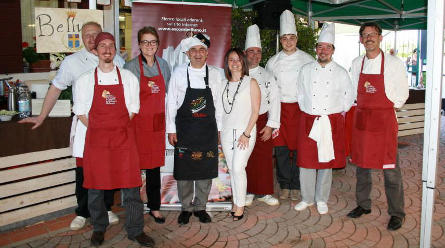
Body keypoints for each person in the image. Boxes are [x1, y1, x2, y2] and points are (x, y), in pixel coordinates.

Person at [19, 22, 122, 231]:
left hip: (111, 127)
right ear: (82, 38)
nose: (92, 38)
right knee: (84, 170)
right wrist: (41, 117)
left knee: (109, 167)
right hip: (86, 125)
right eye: (87, 35)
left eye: (95, 34)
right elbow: (56, 88)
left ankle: (106, 207)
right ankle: (83, 212)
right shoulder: (72, 62)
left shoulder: (117, 59)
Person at [73, 32, 154, 247]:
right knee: (95, 189)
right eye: (102, 46)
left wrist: (115, 129)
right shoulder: (84, 80)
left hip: (123, 142)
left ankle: (135, 230)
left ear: (115, 49)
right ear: (95, 50)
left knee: (131, 188)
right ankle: (99, 228)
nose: (107, 49)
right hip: (97, 143)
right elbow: (81, 113)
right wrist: (102, 129)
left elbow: (133, 110)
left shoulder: (128, 78)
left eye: (111, 45)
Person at [347, 22, 409, 231]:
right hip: (363, 121)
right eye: (365, 35)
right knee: (362, 168)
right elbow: (350, 91)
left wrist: (390, 105)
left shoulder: (393, 63)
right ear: (361, 39)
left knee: (391, 170)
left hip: (384, 122)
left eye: (373, 34)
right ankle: (363, 205)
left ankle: (397, 213)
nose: (369, 38)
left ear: (380, 37)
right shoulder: (357, 63)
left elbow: (402, 92)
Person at [294, 23, 354, 214]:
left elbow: (349, 97)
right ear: (316, 49)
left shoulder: (342, 72)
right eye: (320, 47)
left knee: (325, 162)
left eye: (328, 47)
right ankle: (307, 198)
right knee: (306, 161)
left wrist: (335, 112)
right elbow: (300, 93)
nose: (323, 50)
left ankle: (321, 198)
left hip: (330, 120)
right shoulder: (305, 69)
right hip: (309, 119)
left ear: (333, 50)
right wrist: (307, 111)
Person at [166, 33, 222, 225]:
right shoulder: (179, 73)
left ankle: (201, 207)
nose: (198, 54)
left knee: (205, 170)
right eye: (194, 50)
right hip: (185, 130)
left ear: (207, 53)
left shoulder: (216, 74)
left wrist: (220, 130)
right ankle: (186, 208)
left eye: (202, 50)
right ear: (188, 54)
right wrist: (171, 129)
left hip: (208, 130)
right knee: (185, 172)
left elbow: (220, 106)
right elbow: (171, 104)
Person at [265, 10, 314, 201]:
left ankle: (297, 184)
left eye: (291, 37)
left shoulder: (308, 60)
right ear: (281, 39)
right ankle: (284, 184)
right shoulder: (272, 62)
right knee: (282, 149)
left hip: (300, 109)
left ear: (297, 38)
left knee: (299, 148)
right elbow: (269, 91)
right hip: (280, 110)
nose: (288, 41)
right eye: (284, 38)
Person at [124, 26, 171, 224]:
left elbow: (168, 94)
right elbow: (126, 99)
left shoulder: (164, 65)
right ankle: (133, 208)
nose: (149, 46)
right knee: (133, 168)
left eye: (153, 42)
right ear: (139, 44)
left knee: (154, 169)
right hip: (137, 125)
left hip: (157, 125)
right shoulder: (131, 67)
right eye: (145, 42)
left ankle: (154, 207)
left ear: (158, 45)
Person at [221, 48, 261, 220]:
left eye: (238, 59)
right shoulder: (223, 83)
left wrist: (246, 133)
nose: (235, 63)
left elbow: (255, 111)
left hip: (245, 132)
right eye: (231, 60)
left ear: (243, 62)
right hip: (227, 132)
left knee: (238, 167)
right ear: (227, 63)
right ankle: (236, 202)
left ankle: (240, 205)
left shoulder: (251, 82)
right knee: (232, 169)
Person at [243, 25, 280, 207]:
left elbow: (275, 101)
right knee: (245, 157)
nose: (255, 55)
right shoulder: (237, 74)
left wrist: (271, 125)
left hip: (263, 121)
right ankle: (248, 191)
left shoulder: (268, 75)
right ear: (245, 53)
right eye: (251, 51)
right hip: (242, 121)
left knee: (264, 158)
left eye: (258, 52)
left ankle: (264, 192)